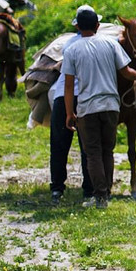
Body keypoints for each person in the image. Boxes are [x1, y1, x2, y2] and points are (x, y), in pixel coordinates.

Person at [62, 4, 136, 208]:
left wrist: (69, 113)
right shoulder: (111, 44)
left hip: (88, 108)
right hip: (111, 106)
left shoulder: (72, 50)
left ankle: (100, 197)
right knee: (108, 151)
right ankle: (106, 192)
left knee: (93, 153)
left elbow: (69, 86)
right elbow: (126, 72)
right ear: (98, 25)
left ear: (78, 28)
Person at [49, 35, 92, 204]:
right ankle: (89, 189)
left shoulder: (69, 44)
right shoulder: (104, 43)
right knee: (88, 146)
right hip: (86, 97)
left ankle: (57, 188)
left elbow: (67, 82)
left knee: (59, 144)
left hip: (62, 96)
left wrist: (67, 111)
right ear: (97, 25)